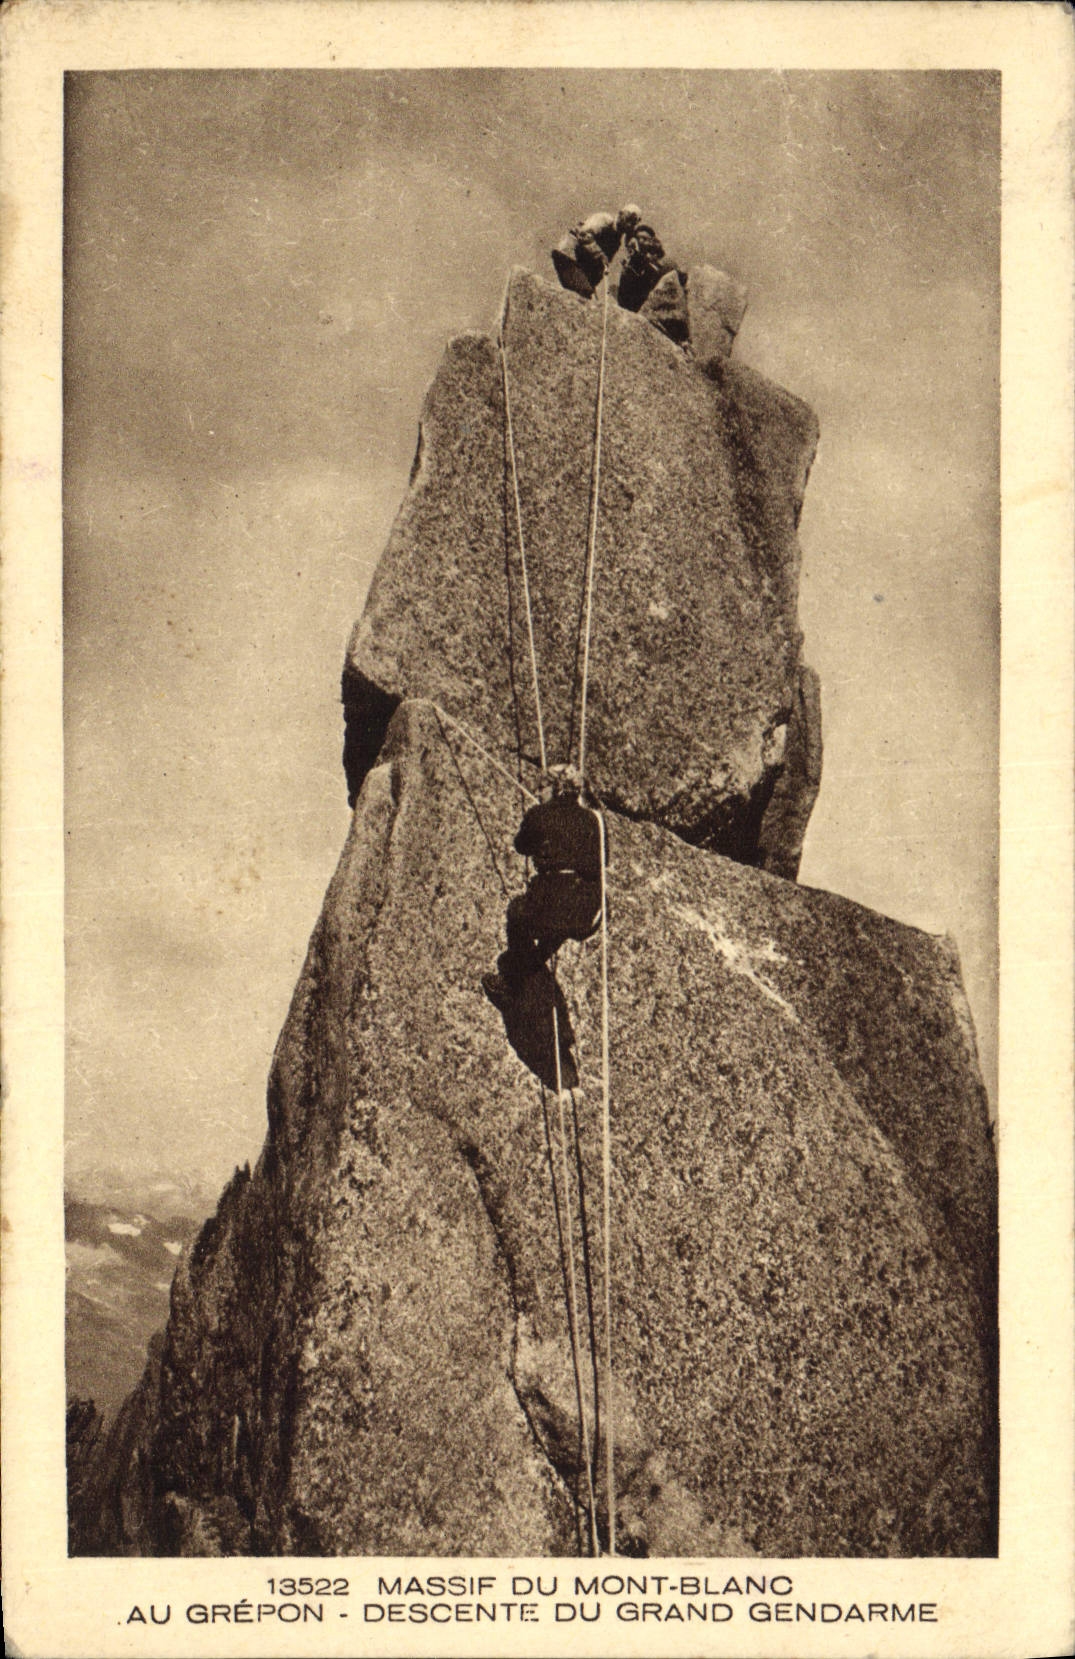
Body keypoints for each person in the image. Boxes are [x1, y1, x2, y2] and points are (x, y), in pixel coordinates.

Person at [482, 766, 609, 1091]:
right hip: (589, 908)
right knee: (547, 938)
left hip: (554, 901)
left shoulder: (540, 813)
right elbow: (603, 857)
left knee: (517, 914)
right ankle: (527, 965)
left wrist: (540, 825)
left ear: (553, 789)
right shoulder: (594, 819)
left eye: (542, 787)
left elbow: (521, 844)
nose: (538, 792)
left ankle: (513, 981)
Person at [615, 205, 685, 314]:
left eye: (645, 239)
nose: (642, 241)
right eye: (639, 239)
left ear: (652, 241)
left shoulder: (662, 260)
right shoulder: (634, 259)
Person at [550, 211, 623, 298]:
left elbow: (600, 266)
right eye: (628, 218)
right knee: (584, 292)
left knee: (585, 294)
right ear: (620, 214)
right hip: (569, 256)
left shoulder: (616, 241)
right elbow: (583, 234)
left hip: (579, 265)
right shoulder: (605, 220)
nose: (628, 224)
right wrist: (599, 254)